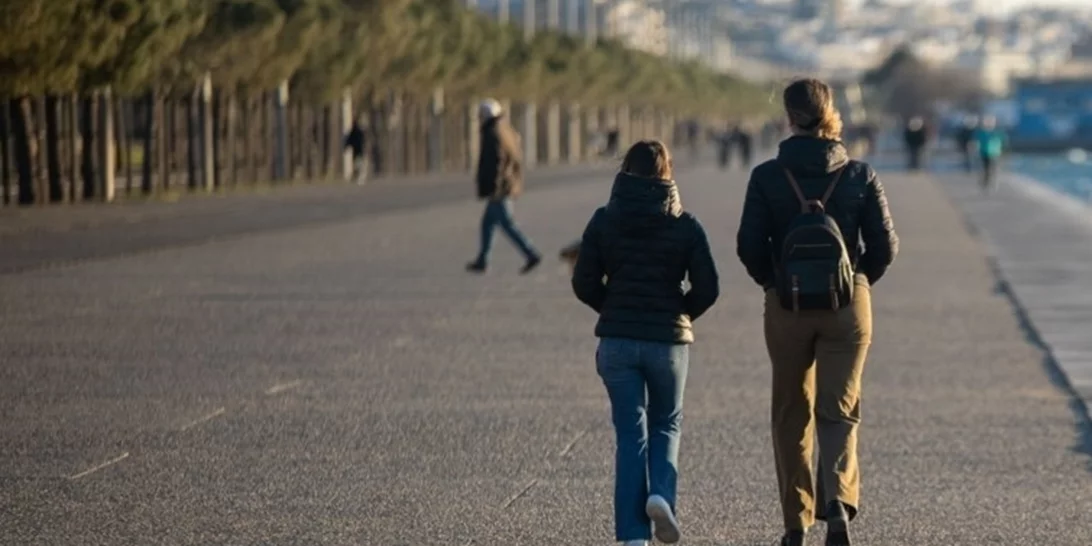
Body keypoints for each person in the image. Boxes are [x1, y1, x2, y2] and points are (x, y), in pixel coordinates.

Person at [735, 78, 899, 546]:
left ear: (788, 118)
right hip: (847, 304)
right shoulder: (860, 174)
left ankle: (795, 522)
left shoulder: (766, 176)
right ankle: (837, 507)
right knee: (839, 410)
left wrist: (773, 283)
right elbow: (885, 246)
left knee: (790, 410)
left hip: (786, 305)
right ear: (831, 113)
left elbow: (749, 245)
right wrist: (859, 280)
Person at [572, 140, 720, 546]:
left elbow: (583, 281)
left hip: (618, 344)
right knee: (666, 423)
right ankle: (661, 496)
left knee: (628, 433)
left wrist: (614, 310)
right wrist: (680, 313)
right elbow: (708, 288)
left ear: (625, 171)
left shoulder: (604, 220)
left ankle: (633, 536)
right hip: (667, 343)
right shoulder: (686, 225)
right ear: (667, 172)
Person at [466, 99, 541, 274]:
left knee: (507, 223)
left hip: (500, 187)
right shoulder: (504, 129)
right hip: (506, 184)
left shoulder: (493, 132)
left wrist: (493, 187)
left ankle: (531, 253)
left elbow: (496, 162)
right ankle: (483, 259)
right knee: (488, 223)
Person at [974, 115, 1006, 194]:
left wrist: (1004, 151)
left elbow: (1003, 142)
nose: (988, 123)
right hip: (984, 153)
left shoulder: (997, 132)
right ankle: (985, 183)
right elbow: (976, 142)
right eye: (987, 122)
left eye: (990, 122)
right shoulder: (981, 132)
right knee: (985, 169)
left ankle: (993, 183)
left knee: (994, 169)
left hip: (995, 153)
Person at [344, 118, 370, 184]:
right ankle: (359, 176)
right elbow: (349, 140)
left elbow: (349, 140)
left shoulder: (355, 131)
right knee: (358, 164)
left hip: (357, 150)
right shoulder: (357, 131)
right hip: (357, 150)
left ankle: (359, 177)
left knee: (358, 164)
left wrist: (346, 146)